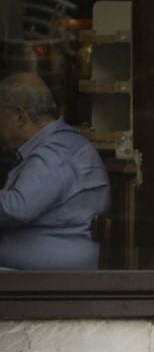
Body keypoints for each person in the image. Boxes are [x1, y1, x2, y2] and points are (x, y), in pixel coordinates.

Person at [0, 72, 108, 270]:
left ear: (20, 116)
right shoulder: (58, 145)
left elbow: (16, 208)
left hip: (49, 282)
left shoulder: (58, 150)